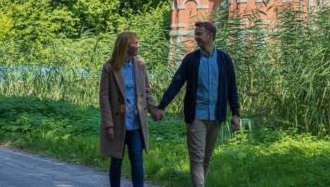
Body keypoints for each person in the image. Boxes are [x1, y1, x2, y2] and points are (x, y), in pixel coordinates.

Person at [156, 21, 240, 187]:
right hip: (196, 116)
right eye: (196, 34)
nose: (196, 37)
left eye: (199, 34)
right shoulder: (191, 60)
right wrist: (161, 106)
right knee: (197, 157)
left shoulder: (224, 60)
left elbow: (232, 88)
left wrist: (235, 113)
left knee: (206, 157)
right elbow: (176, 83)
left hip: (216, 116)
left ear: (210, 36)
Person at [99, 32, 160, 187]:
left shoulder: (140, 64)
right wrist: (108, 124)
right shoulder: (109, 68)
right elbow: (104, 97)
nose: (139, 46)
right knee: (116, 161)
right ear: (126, 46)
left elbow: (146, 90)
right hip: (118, 122)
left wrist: (153, 109)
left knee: (137, 160)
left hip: (136, 122)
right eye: (136, 43)